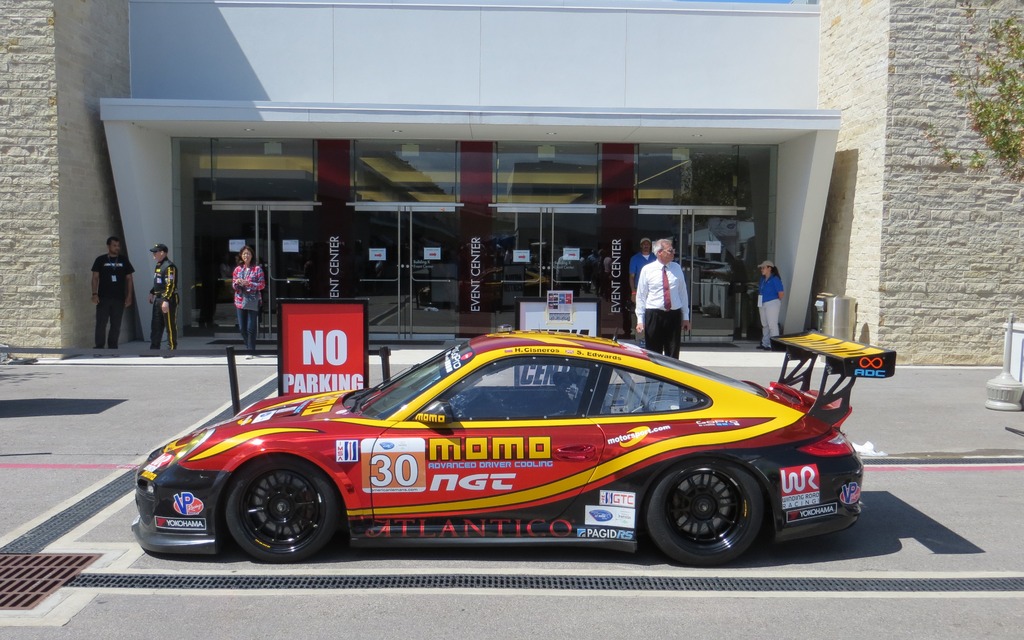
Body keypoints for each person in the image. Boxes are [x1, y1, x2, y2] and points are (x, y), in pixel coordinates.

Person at [635, 238, 691, 358]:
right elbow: (641, 296)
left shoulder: (676, 268)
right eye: (670, 250)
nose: (673, 253)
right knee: (654, 353)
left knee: (673, 352)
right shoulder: (647, 270)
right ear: (660, 252)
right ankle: (653, 377)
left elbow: (683, 293)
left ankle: (670, 376)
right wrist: (640, 320)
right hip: (654, 315)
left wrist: (685, 317)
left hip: (673, 315)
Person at [90, 236, 135, 351]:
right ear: (108, 246)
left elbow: (129, 278)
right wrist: (94, 294)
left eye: (118, 245)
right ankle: (99, 347)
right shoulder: (100, 260)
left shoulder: (123, 260)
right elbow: (95, 277)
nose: (117, 248)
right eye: (114, 245)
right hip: (103, 298)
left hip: (119, 298)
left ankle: (113, 347)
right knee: (101, 323)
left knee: (116, 324)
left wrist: (129, 296)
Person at [232, 244, 266, 359]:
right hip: (240, 300)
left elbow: (262, 285)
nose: (246, 256)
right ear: (241, 256)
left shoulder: (257, 269)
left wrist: (249, 284)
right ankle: (248, 346)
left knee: (251, 327)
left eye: (248, 254)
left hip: (252, 300)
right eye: (244, 254)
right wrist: (238, 283)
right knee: (242, 328)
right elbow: (233, 284)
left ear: (252, 256)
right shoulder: (238, 269)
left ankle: (251, 350)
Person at [148, 243, 179, 351]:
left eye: (155, 252)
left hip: (168, 299)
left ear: (162, 253)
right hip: (158, 298)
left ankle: (171, 348)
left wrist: (166, 300)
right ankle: (154, 348)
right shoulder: (159, 265)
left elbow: (171, 284)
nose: (153, 254)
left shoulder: (169, 266)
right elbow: (158, 281)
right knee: (156, 325)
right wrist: (152, 292)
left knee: (169, 325)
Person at [757, 260, 785, 350]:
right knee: (764, 324)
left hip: (772, 303)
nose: (762, 269)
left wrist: (775, 301)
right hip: (762, 303)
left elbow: (781, 293)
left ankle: (774, 344)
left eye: (763, 267)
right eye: (761, 268)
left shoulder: (775, 279)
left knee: (772, 324)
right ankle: (765, 343)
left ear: (769, 268)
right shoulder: (762, 279)